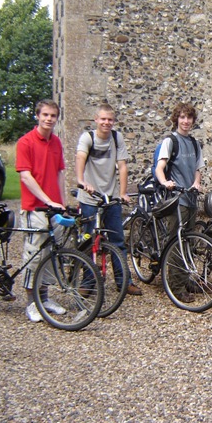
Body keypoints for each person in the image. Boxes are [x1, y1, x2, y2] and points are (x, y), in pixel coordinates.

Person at [75, 103, 141, 296]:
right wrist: (81, 181)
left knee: (118, 240)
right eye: (103, 119)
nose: (106, 123)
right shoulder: (87, 138)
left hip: (109, 196)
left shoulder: (116, 137)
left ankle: (123, 281)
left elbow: (122, 167)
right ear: (96, 119)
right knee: (88, 240)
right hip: (89, 197)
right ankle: (88, 282)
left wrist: (121, 192)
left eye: (110, 119)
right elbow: (80, 158)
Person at [16, 99, 67, 323]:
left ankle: (44, 297)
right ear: (37, 116)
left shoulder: (56, 142)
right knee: (34, 254)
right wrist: (47, 200)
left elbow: (59, 174)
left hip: (54, 208)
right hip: (34, 207)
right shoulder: (25, 142)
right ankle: (30, 303)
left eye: (52, 116)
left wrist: (62, 202)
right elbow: (26, 176)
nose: (49, 119)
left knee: (51, 256)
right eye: (45, 115)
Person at [154, 102, 204, 302]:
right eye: (182, 117)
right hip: (177, 200)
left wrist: (197, 183)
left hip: (191, 198)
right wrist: (165, 182)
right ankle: (175, 287)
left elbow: (198, 168)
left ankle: (185, 279)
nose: (186, 121)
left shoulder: (194, 143)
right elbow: (160, 166)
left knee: (189, 242)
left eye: (189, 118)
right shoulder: (170, 141)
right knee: (176, 242)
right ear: (177, 119)